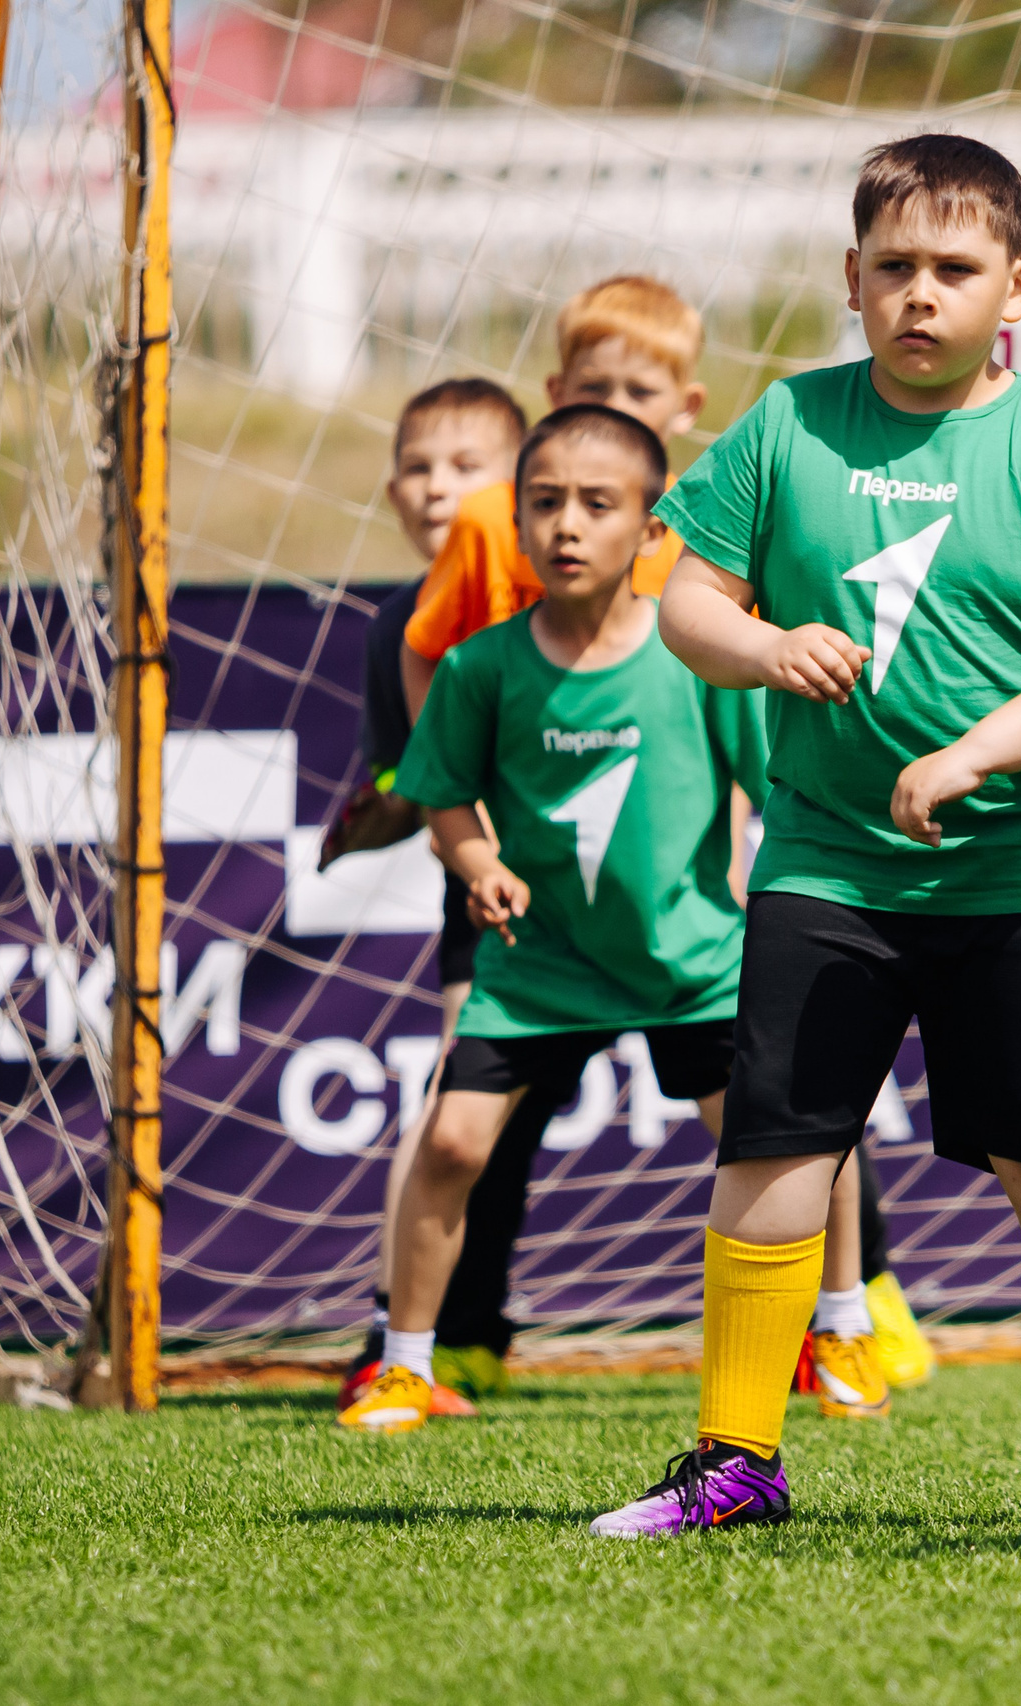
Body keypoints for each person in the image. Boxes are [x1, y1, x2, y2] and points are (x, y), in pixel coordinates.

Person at [594, 133, 1021, 1539]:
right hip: (827, 863)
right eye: (893, 269)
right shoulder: (786, 422)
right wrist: (759, 645)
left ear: (1020, 283)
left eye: (954, 268)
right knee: (771, 1154)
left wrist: (976, 752)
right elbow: (684, 599)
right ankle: (736, 1461)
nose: (920, 295)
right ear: (851, 279)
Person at [339, 404, 762, 1433]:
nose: (567, 525)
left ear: (652, 529)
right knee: (449, 1143)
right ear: (515, 525)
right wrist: (476, 858)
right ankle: (403, 1363)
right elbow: (440, 792)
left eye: (596, 504)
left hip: (688, 961)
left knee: (776, 1147)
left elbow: (772, 788)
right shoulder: (482, 666)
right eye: (543, 504)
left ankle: (829, 1327)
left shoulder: (700, 656)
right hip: (535, 969)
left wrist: (766, 884)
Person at [323, 376, 526, 1417]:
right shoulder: (397, 625)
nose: (436, 486)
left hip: (646, 901)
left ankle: (835, 1319)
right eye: (416, 464)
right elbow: (420, 784)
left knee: (762, 1107)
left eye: (466, 465)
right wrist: (396, 813)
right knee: (454, 1117)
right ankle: (392, 1340)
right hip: (493, 906)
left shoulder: (581, 586)